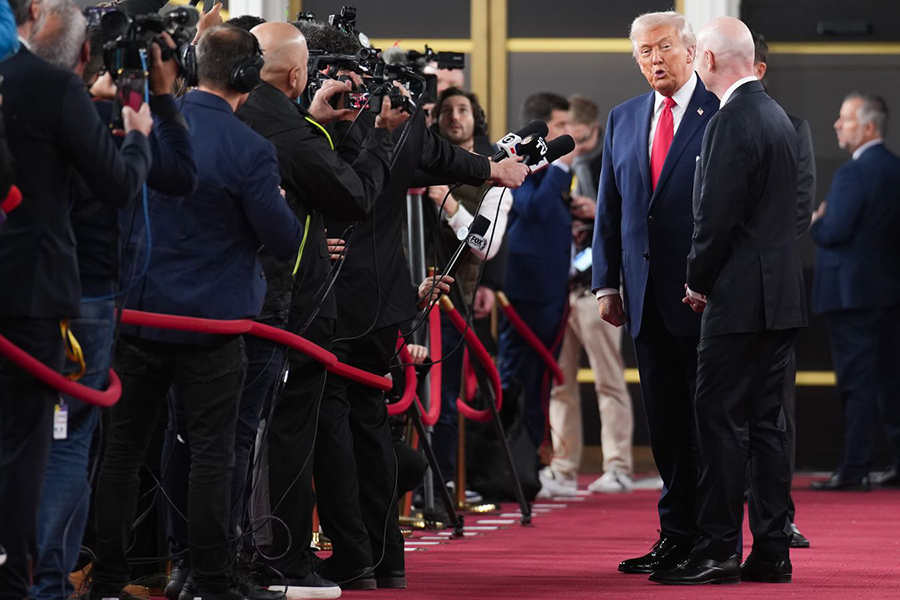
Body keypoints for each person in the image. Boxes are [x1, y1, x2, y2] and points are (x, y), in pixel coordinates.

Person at [299, 20, 528, 591]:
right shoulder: (395, 113)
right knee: (372, 428)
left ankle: (355, 557)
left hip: (334, 297)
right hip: (386, 299)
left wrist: (489, 170)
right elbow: (441, 158)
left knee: (334, 431)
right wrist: (493, 169)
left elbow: (348, 179)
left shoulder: (325, 117)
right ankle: (386, 559)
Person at [90, 25, 304, 600]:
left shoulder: (142, 122)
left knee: (121, 454)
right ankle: (209, 580)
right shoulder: (250, 149)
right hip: (214, 326)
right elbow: (284, 240)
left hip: (138, 317)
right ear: (248, 77)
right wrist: (280, 208)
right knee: (212, 454)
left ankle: (107, 579)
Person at [233, 21, 406, 599]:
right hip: (290, 306)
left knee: (219, 436)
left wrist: (314, 121)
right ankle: (283, 559)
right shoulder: (285, 127)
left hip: (232, 301)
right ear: (298, 75)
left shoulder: (235, 112)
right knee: (282, 435)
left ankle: (200, 561)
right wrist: (381, 135)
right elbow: (353, 197)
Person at [29, 3, 196, 599]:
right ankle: (48, 580)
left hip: (46, 296)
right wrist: (156, 105)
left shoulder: (32, 101)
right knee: (69, 444)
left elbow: (176, 177)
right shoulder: (92, 116)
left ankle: (47, 574)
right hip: (86, 298)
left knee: (52, 440)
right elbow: (169, 175)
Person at [0, 1, 153, 597]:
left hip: (40, 287)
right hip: (36, 291)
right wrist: (138, 136)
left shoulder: (25, 82)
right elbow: (118, 185)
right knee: (33, 447)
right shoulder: (54, 89)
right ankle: (28, 584)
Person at [650, 16, 804, 585]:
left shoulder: (729, 120)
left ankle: (716, 550)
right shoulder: (778, 116)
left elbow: (713, 218)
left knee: (718, 422)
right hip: (780, 297)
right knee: (767, 425)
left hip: (738, 300)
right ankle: (772, 551)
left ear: (708, 60)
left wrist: (696, 281)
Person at [591, 10, 718, 574]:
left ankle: (712, 538)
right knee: (664, 425)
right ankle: (675, 534)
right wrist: (605, 283)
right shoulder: (624, 117)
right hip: (642, 297)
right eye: (643, 51)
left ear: (690, 51)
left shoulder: (720, 112)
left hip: (704, 297)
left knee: (707, 425)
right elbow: (610, 208)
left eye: (664, 47)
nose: (654, 59)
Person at [540, 94, 634, 498]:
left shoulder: (614, 162)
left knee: (609, 380)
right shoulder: (552, 167)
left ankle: (618, 466)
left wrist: (597, 212)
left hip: (599, 287)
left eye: (577, 138)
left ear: (594, 132)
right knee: (559, 383)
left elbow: (635, 215)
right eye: (565, 137)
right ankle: (563, 465)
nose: (572, 145)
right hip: (559, 288)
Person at [809, 93, 900, 492]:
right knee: (891, 380)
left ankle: (854, 467)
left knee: (856, 382)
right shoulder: (895, 169)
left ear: (868, 127)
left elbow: (834, 230)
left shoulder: (853, 173)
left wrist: (817, 220)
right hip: (890, 293)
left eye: (845, 119)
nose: (836, 125)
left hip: (850, 296)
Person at [426, 87, 513, 490]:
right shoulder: (419, 162)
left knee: (444, 397)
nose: (454, 117)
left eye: (463, 110)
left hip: (451, 301)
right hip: (406, 295)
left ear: (476, 120)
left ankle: (442, 483)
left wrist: (448, 206)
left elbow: (485, 246)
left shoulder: (494, 177)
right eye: (447, 110)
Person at [752, 30, 815, 548]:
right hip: (697, 291)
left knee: (774, 411)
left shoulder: (792, 127)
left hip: (768, 290)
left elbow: (798, 212)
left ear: (758, 68)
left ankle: (777, 518)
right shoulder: (698, 124)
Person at [498, 92, 575, 454]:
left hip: (553, 287)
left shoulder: (552, 168)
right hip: (527, 287)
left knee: (541, 376)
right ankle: (511, 457)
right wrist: (560, 169)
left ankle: (533, 459)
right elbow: (531, 207)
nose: (568, 131)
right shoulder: (517, 159)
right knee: (519, 373)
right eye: (560, 124)